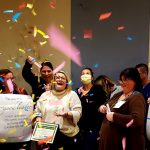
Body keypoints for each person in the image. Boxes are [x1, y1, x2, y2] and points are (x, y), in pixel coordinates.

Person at [33, 71, 82, 150]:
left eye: (63, 78)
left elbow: (78, 112)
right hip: (47, 133)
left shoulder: (72, 94)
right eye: (57, 77)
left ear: (66, 82)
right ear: (53, 81)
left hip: (67, 135)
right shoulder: (45, 95)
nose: (60, 79)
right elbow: (37, 111)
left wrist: (67, 114)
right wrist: (38, 118)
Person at [99, 67, 145, 150]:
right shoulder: (119, 94)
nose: (122, 83)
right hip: (109, 143)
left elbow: (137, 120)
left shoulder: (136, 96)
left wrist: (114, 117)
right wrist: (102, 107)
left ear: (134, 81)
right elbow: (107, 104)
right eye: (121, 80)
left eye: (125, 80)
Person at [75, 67, 107, 150]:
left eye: (87, 73)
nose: (85, 75)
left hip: (93, 127)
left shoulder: (98, 89)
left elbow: (104, 103)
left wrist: (101, 106)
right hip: (78, 128)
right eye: (83, 74)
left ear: (92, 77)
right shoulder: (76, 92)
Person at [0, 69, 30, 150]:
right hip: (4, 135)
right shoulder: (0, 95)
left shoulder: (21, 92)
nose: (11, 81)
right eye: (8, 79)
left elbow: (29, 110)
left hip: (20, 133)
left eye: (12, 78)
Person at [135, 63, 150, 150]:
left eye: (138, 74)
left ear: (145, 73)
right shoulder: (137, 88)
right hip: (138, 121)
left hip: (148, 122)